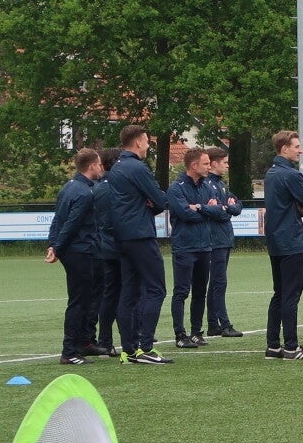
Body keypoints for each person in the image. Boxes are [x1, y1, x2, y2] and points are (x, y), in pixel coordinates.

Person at [105, 124, 174, 364]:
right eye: (146, 141)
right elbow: (160, 199)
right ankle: (146, 348)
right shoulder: (137, 167)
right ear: (137, 142)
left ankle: (129, 350)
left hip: (122, 236)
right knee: (156, 289)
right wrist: (150, 204)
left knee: (129, 292)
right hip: (140, 235)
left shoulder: (116, 167)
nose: (147, 146)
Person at [45, 147, 105, 365]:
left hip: (77, 250)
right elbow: (71, 224)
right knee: (79, 301)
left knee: (88, 298)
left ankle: (84, 342)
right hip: (80, 251)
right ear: (92, 166)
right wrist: (57, 248)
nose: (102, 168)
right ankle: (69, 351)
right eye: (99, 164)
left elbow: (57, 219)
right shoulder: (85, 193)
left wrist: (53, 244)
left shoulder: (69, 187)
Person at [263, 129, 303, 359]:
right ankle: (291, 346)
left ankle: (273, 345)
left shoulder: (270, 173)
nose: (300, 150)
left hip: (275, 241)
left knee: (279, 293)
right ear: (284, 148)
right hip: (291, 241)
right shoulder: (291, 175)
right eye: (296, 146)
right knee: (290, 295)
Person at [167, 148, 225, 349]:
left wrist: (199, 207)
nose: (209, 167)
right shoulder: (176, 188)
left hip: (205, 246)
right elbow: (185, 214)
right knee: (181, 291)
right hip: (184, 247)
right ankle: (180, 334)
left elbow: (219, 211)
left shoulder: (207, 187)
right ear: (194, 165)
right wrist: (206, 209)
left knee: (200, 292)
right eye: (206, 163)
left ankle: (196, 332)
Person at [202, 146, 244, 338]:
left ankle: (213, 324)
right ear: (214, 163)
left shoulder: (222, 185)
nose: (227, 166)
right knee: (219, 282)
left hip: (224, 238)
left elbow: (237, 206)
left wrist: (226, 207)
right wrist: (226, 208)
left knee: (216, 283)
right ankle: (224, 324)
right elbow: (216, 212)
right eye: (225, 162)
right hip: (215, 239)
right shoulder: (207, 185)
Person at [91, 147, 122, 357]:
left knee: (108, 294)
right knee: (122, 294)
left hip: (103, 246)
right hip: (119, 246)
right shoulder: (118, 187)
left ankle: (105, 340)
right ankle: (128, 337)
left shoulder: (97, 188)